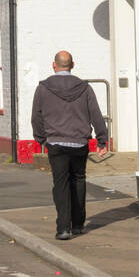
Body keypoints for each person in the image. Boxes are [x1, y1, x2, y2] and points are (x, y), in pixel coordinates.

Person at [31, 50, 107, 241]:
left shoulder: (43, 88)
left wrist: (41, 138)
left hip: (56, 143)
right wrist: (102, 140)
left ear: (53, 65)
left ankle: (63, 228)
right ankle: (79, 224)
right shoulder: (85, 88)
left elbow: (36, 117)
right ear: (72, 65)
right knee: (79, 180)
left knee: (61, 184)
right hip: (79, 142)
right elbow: (95, 114)